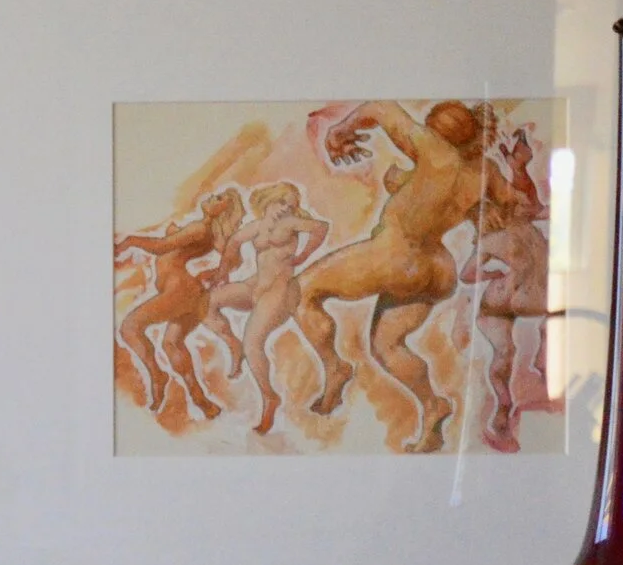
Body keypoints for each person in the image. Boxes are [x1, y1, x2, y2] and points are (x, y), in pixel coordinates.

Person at [293, 100, 488, 453]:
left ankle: (336, 368)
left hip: (397, 254)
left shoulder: (436, 152)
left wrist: (341, 130)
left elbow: (381, 108)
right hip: (437, 269)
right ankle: (433, 405)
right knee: (387, 346)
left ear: (435, 130)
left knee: (301, 290)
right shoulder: (479, 176)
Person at [204, 182, 330, 437]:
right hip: (255, 285)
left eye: (291, 205)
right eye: (282, 202)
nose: (285, 209)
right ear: (269, 200)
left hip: (279, 290)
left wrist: (304, 255)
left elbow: (321, 227)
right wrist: (222, 273)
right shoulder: (258, 226)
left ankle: (269, 397)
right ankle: (232, 343)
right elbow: (234, 242)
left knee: (253, 343)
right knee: (207, 302)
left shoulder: (291, 223)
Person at [116, 188, 246, 423]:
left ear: (222, 212)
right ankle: (201, 401)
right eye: (214, 195)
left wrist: (130, 241)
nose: (211, 197)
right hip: (188, 293)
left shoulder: (200, 228)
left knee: (130, 327)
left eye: (218, 199)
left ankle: (157, 375)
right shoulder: (207, 231)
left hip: (179, 291)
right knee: (172, 344)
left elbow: (161, 247)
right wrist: (212, 273)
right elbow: (235, 259)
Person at [466, 124, 555, 452]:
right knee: (557, 311)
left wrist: (492, 274)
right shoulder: (531, 226)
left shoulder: (493, 239)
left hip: (502, 297)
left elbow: (467, 275)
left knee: (503, 353)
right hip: (535, 295)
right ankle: (542, 358)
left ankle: (503, 403)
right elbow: (535, 202)